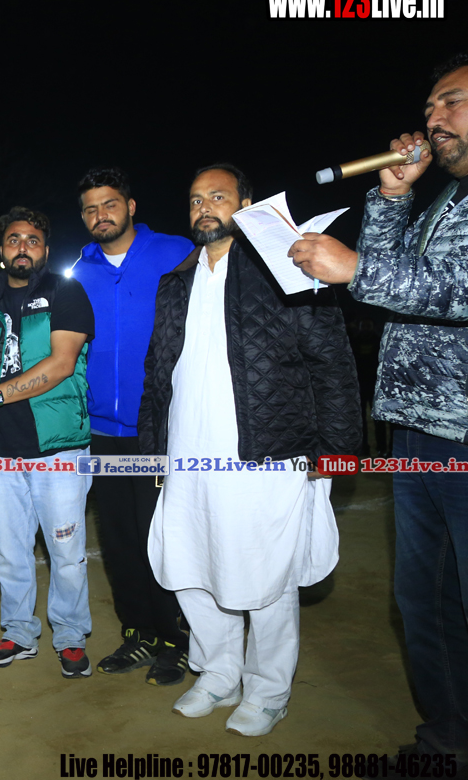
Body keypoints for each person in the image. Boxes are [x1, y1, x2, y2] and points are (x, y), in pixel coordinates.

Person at [288, 53, 468, 762]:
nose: (432, 119)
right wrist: (393, 198)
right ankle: (446, 742)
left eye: (451, 102)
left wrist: (355, 266)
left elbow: (452, 288)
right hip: (420, 430)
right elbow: (394, 284)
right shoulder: (449, 200)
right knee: (426, 600)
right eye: (429, 107)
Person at [141, 164, 359, 737]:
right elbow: (157, 373)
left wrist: (337, 448)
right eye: (195, 199)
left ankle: (269, 691)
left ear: (246, 204)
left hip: (267, 449)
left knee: (265, 574)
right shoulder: (175, 282)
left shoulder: (286, 268)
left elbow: (331, 361)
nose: (204, 208)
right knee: (192, 565)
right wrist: (154, 449)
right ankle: (218, 673)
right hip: (188, 455)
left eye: (218, 196)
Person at [0, 206, 96, 678]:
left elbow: (61, 363)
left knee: (65, 551)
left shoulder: (66, 292)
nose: (23, 248)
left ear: (45, 250)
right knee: (12, 551)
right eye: (14, 239)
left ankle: (70, 636)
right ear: (1, 249)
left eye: (33, 240)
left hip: (58, 447)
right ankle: (18, 632)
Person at [71, 168, 195, 685]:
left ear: (131, 206)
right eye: (91, 208)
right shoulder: (79, 269)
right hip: (102, 432)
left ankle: (177, 640)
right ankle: (138, 633)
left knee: (162, 536)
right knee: (120, 538)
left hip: (160, 427)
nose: (101, 215)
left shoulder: (177, 252)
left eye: (110, 204)